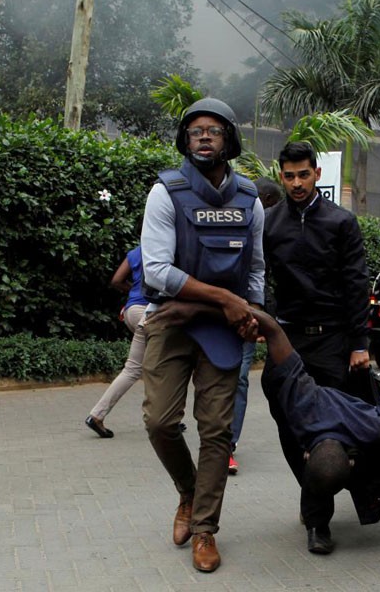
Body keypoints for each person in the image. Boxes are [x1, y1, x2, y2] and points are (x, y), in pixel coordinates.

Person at [147, 300, 380, 553]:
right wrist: (199, 309)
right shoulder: (306, 402)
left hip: (374, 415)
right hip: (356, 405)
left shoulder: (370, 424)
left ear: (307, 454)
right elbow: (271, 327)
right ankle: (317, 521)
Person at [140, 97, 265, 573]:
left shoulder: (249, 199)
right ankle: (187, 491)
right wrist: (225, 298)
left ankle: (205, 529)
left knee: (218, 431)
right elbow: (156, 270)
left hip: (225, 329)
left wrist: (249, 311)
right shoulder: (165, 192)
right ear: (184, 140)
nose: (204, 136)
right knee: (158, 422)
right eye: (195, 131)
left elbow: (255, 269)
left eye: (214, 130)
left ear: (229, 139)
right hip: (171, 323)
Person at [261, 141, 371, 554]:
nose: (296, 183)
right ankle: (314, 492)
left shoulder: (341, 222)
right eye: (288, 176)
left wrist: (359, 343)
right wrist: (265, 322)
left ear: (316, 174)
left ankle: (317, 519)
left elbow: (356, 284)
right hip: (286, 341)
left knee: (328, 430)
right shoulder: (269, 223)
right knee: (288, 425)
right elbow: (260, 276)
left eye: (303, 174)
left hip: (333, 341)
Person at [228, 178, 283, 475]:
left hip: (247, 310)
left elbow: (260, 271)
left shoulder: (268, 229)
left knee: (238, 378)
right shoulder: (236, 216)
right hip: (215, 310)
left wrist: (258, 311)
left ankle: (226, 446)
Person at [85, 245, 148, 438]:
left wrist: (133, 291)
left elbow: (116, 280)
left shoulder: (137, 251)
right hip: (150, 313)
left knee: (134, 369)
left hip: (132, 310)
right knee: (168, 367)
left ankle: (96, 415)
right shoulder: (167, 248)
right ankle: (163, 420)